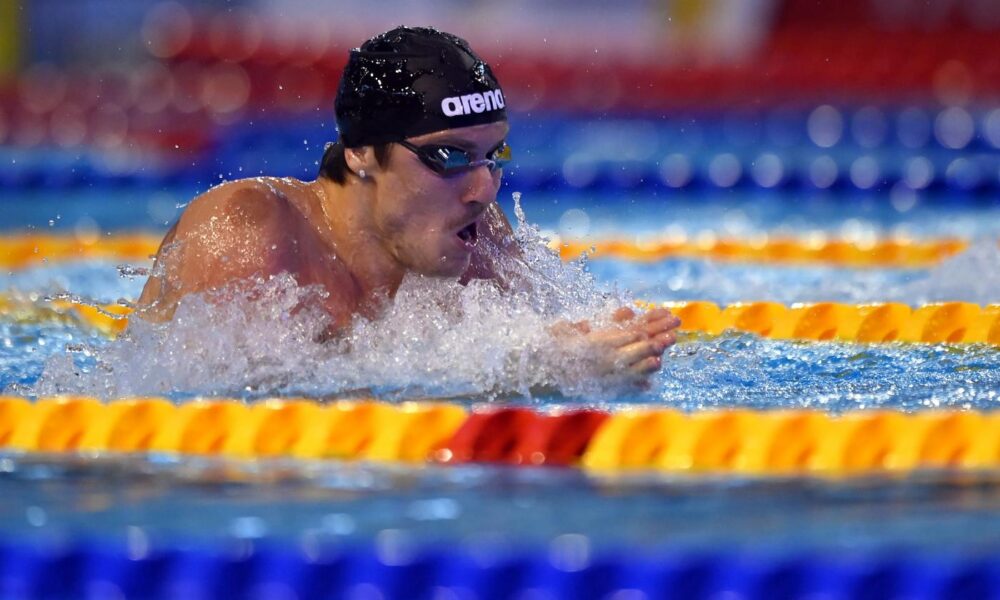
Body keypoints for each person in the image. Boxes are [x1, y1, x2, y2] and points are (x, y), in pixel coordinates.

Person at [136, 26, 680, 386]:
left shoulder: (477, 235)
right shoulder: (251, 230)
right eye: (449, 156)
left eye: (494, 156)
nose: (484, 190)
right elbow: (228, 418)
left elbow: (548, 345)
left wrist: (602, 353)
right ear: (361, 153)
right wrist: (532, 366)